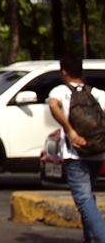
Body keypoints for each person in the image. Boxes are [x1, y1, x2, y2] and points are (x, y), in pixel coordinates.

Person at [48, 54, 105, 243]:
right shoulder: (97, 93)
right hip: (97, 152)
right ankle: (89, 238)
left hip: (75, 154)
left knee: (83, 199)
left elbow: (53, 105)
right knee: (88, 195)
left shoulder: (60, 91)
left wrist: (70, 131)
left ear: (64, 72)